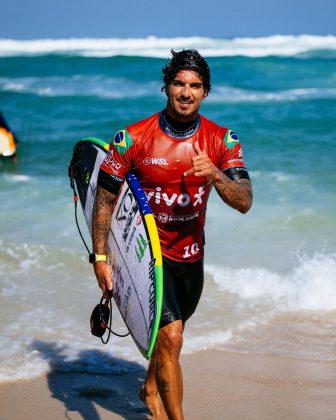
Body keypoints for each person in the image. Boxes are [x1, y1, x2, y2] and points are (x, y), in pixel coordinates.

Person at [91, 49, 253, 419]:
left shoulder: (221, 141)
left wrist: (214, 174)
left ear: (206, 92)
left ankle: (150, 387)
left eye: (195, 86)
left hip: (191, 258)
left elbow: (244, 201)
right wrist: (101, 258)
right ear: (166, 87)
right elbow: (103, 200)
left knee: (170, 341)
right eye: (179, 83)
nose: (186, 92)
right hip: (148, 258)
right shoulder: (132, 139)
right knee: (172, 337)